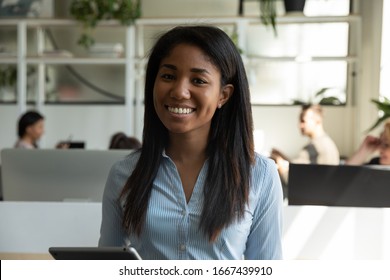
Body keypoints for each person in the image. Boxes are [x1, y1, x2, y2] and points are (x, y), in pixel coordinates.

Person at [98, 25, 283, 260]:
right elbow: (105, 264)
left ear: (223, 95)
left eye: (198, 80)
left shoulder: (260, 175)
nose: (179, 91)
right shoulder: (124, 173)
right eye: (168, 76)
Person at [271, 104, 340, 185]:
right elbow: (299, 168)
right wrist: (282, 157)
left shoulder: (312, 148)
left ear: (317, 120)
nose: (299, 125)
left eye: (303, 121)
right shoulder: (328, 143)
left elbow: (290, 179)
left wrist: (278, 162)